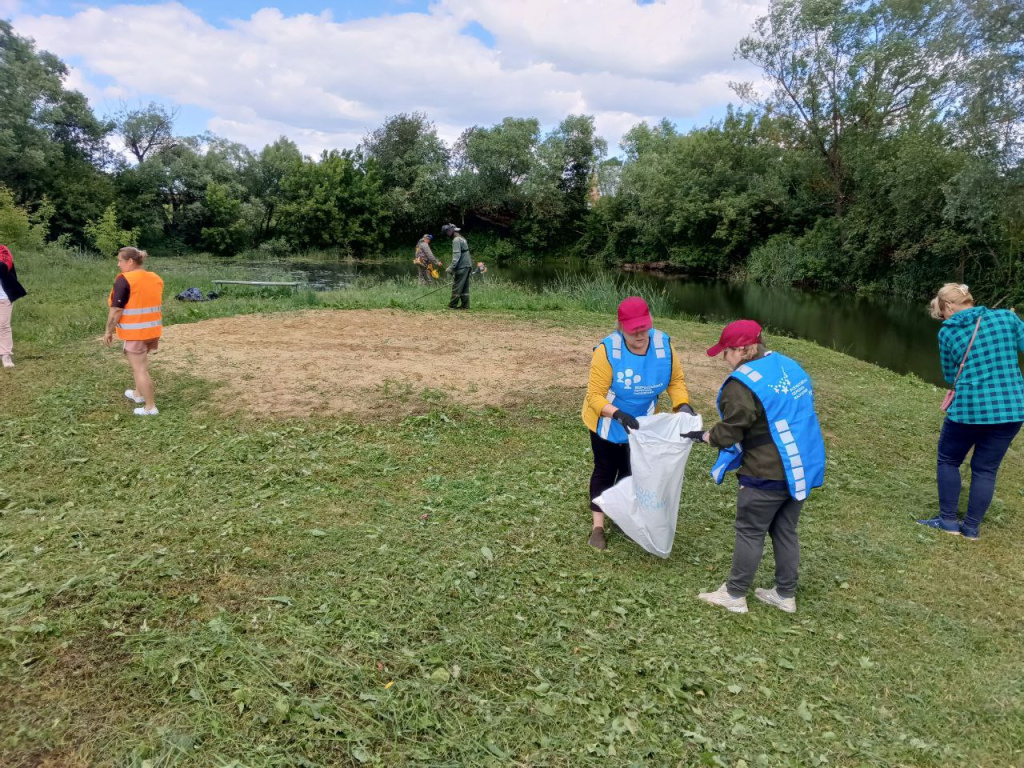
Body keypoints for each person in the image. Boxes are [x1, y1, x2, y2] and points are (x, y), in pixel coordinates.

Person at [688, 320, 826, 614]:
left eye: (726, 352)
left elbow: (733, 428)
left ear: (743, 349)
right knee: (785, 529)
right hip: (801, 465)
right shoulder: (788, 365)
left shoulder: (741, 384)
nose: (725, 359)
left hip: (767, 470)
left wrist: (706, 436)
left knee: (750, 530)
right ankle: (785, 594)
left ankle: (735, 594)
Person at [582, 297, 696, 550]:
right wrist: (618, 414)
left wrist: (682, 404)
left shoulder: (663, 345)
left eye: (643, 328)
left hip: (642, 423)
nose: (640, 335)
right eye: (633, 331)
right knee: (605, 469)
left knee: (632, 470)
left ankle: (623, 513)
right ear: (621, 327)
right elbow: (594, 397)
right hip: (608, 423)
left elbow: (675, 380)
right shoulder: (607, 351)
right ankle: (598, 526)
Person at [916, 283, 1024, 539]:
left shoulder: (948, 332)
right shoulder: (1006, 318)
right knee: (986, 469)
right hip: (1011, 408)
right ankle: (971, 528)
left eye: (942, 313)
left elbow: (950, 374)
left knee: (949, 459)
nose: (943, 317)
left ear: (949, 306)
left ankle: (948, 521)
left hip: (969, 409)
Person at [104, 247, 164, 416]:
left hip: (135, 332)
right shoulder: (155, 277)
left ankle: (150, 407)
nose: (118, 264)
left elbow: (116, 310)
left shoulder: (124, 280)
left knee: (140, 369)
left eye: (120, 261)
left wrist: (108, 331)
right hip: (151, 330)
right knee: (140, 364)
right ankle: (138, 394)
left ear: (130, 261)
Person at [0, 244, 27, 368]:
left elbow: (3, 267)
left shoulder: (3, 250)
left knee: (3, 325)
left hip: (2, 297)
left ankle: (5, 355)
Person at [442, 223, 472, 309]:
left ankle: (452, 305)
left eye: (446, 232)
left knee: (457, 286)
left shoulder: (456, 240)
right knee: (464, 287)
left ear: (450, 231)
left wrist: (451, 268)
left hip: (462, 266)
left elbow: (456, 256)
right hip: (467, 265)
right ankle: (465, 306)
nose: (446, 235)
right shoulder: (462, 238)